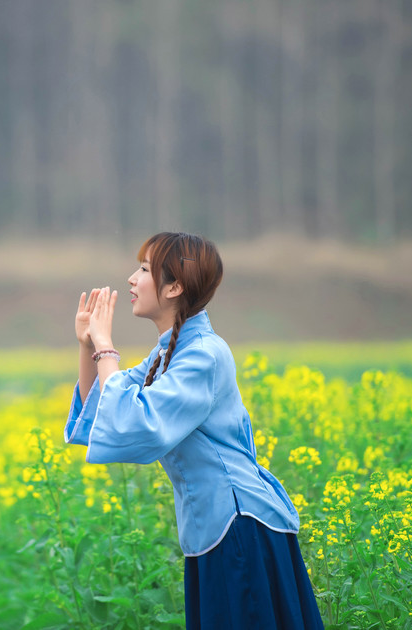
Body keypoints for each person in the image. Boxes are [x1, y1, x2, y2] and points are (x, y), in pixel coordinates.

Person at [64, 232, 323, 630]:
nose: (131, 279)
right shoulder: (170, 351)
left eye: (145, 270)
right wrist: (88, 346)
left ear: (175, 286)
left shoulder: (203, 353)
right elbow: (105, 408)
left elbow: (137, 424)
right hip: (214, 530)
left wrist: (105, 346)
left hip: (239, 528)